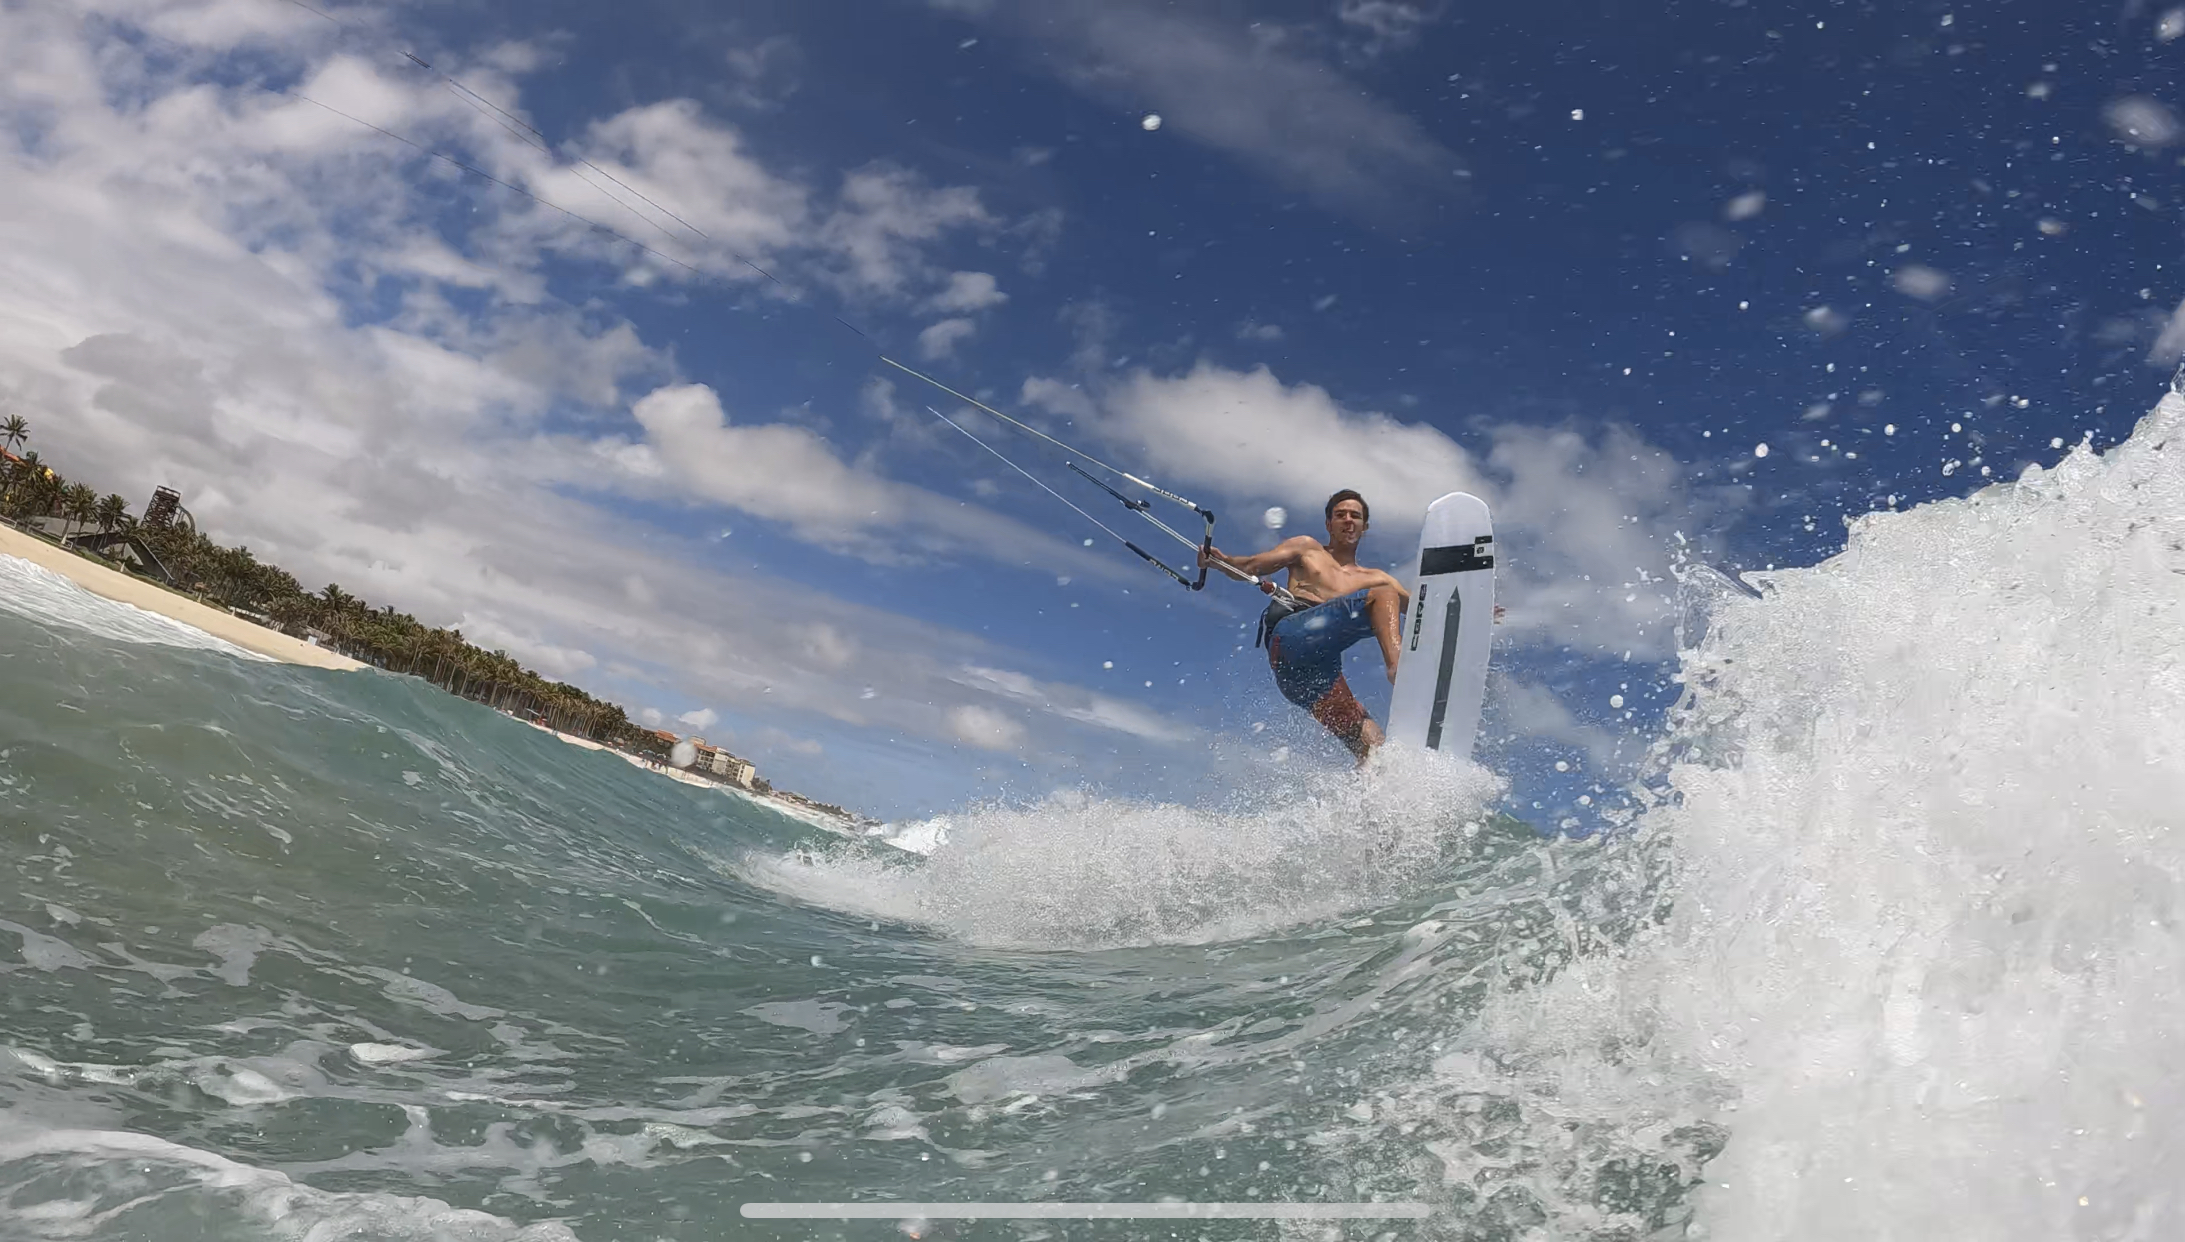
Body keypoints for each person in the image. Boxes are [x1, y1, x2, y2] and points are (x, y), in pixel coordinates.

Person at [1199, 490, 1410, 762]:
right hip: (1291, 638)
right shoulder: (1307, 548)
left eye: (1355, 516)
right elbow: (1251, 566)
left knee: (1373, 746)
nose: (1348, 520)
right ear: (1328, 524)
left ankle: (1369, 800)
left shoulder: (1374, 577)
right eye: (1340, 515)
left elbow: (1423, 605)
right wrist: (1218, 561)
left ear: (1364, 527)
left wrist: (1470, 600)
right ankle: (1399, 670)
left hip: (1306, 680)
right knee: (1383, 594)